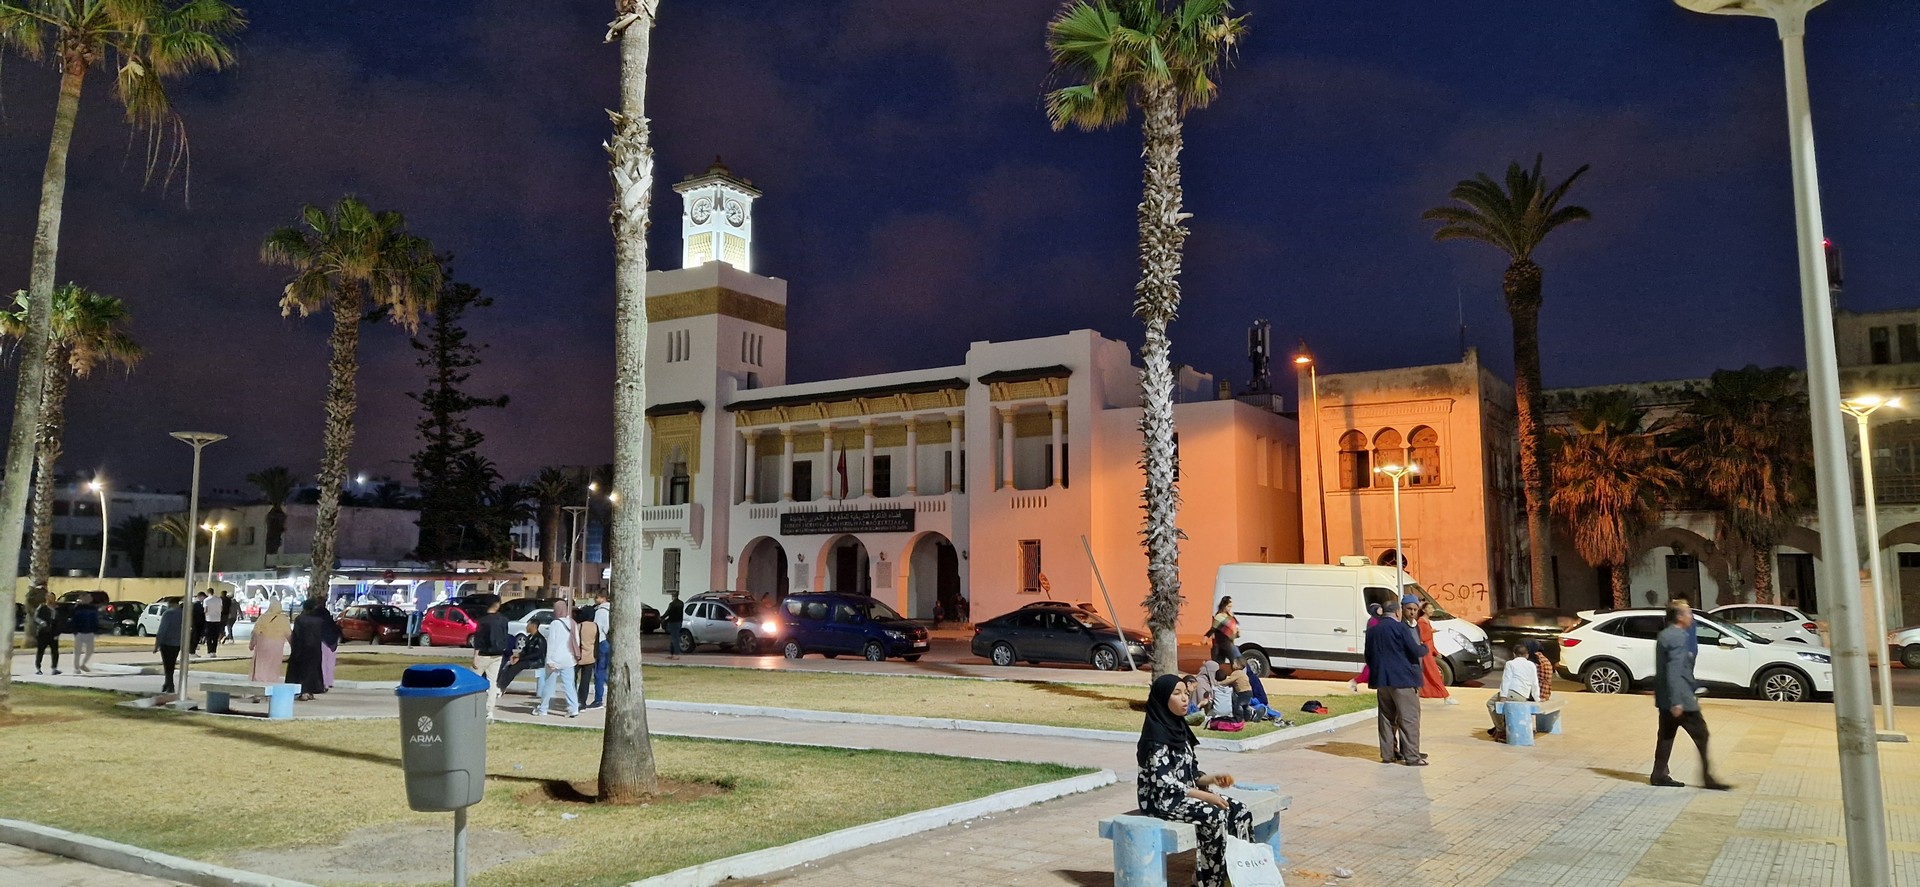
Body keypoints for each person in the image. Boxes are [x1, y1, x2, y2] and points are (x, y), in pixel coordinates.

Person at [1137, 674, 1253, 887]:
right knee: (1215, 815)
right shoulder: (1155, 737)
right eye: (1177, 693)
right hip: (1161, 800)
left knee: (1240, 810)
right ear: (1162, 698)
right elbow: (1164, 782)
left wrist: (1212, 779)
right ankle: (1208, 881)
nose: (1185, 698)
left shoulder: (1180, 728)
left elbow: (1191, 772)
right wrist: (1206, 797)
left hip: (1185, 795)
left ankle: (1239, 874)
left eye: (1186, 693)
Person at [1652, 604, 1730, 790]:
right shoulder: (1678, 636)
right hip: (1680, 699)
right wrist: (1677, 701)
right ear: (1680, 617)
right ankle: (1707, 778)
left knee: (1666, 736)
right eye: (1689, 613)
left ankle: (1659, 774)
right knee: (1702, 735)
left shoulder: (1665, 634)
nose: (1692, 617)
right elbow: (1674, 670)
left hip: (1666, 698)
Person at [1364, 593, 1429, 765]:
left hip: (1382, 681)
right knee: (1409, 718)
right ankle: (1412, 756)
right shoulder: (1400, 628)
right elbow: (1415, 650)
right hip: (1403, 680)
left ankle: (1388, 754)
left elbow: (1368, 656)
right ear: (1398, 612)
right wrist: (1424, 648)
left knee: (1386, 718)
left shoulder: (1372, 630)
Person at [535, 600, 582, 717]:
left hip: (555, 659)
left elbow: (551, 643)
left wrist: (549, 660)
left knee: (548, 685)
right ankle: (574, 708)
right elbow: (577, 641)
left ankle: (543, 709)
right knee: (569, 685)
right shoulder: (573, 623)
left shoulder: (555, 624)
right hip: (569, 659)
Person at [1486, 643, 1540, 742]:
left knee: (1491, 703)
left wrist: (1503, 696)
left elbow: (1506, 681)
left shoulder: (1510, 664)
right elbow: (1535, 683)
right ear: (1527, 655)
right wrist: (1537, 698)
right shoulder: (1531, 665)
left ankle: (1501, 730)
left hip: (1512, 693)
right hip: (1523, 695)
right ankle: (1502, 726)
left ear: (1514, 654)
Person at [286, 600, 333, 700]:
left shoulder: (300, 619)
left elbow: (296, 635)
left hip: (301, 648)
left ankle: (303, 692)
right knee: (312, 671)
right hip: (315, 649)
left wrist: (294, 648)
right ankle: (310, 691)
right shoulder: (319, 621)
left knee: (301, 671)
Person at [1415, 602, 1456, 704]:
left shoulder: (1426, 621)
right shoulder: (1421, 622)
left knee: (1428, 674)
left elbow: (1429, 641)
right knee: (1434, 674)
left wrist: (1435, 651)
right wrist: (1431, 631)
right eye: (1429, 608)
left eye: (1432, 608)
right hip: (1425, 652)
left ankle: (1424, 693)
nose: (1432, 610)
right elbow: (1422, 638)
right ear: (1424, 610)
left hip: (1428, 651)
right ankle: (1446, 696)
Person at [249, 601, 292, 683]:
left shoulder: (263, 617)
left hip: (263, 644)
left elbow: (255, 632)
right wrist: (293, 646)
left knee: (261, 664)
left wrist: (252, 644)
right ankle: (271, 681)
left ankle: (260, 682)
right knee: (273, 665)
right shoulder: (284, 619)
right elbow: (289, 634)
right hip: (277, 645)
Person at [1349, 602, 1387, 693]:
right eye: (1379, 609)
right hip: (1375, 649)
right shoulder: (1374, 621)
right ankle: (1355, 681)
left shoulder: (1379, 620)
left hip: (1379, 648)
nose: (1381, 610)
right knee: (1370, 669)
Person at [574, 605, 600, 708]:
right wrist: (596, 655)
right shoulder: (595, 626)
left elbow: (575, 642)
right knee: (585, 681)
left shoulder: (579, 626)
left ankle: (574, 699)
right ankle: (583, 702)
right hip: (591, 657)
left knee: (573, 678)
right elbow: (596, 642)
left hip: (578, 657)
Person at [155, 599, 183, 694]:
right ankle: (167, 684)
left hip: (167, 643)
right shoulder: (183, 614)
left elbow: (162, 630)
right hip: (177, 643)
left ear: (171, 604)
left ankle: (169, 685)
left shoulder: (168, 614)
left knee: (167, 665)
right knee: (172, 664)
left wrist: (157, 644)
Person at [589, 592, 611, 709]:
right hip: (608, 643)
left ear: (603, 598)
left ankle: (598, 699)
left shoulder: (600, 611)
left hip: (601, 642)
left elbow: (597, 628)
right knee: (605, 670)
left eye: (597, 597)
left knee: (599, 672)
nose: (595, 599)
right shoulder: (611, 610)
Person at [69, 597, 100, 674]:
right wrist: (75, 631)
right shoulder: (77, 608)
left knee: (90, 651)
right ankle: (76, 668)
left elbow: (95, 619)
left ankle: (83, 664)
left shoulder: (92, 608)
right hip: (79, 632)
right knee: (77, 652)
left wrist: (95, 629)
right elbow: (73, 619)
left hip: (90, 632)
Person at [32, 597, 61, 675]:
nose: (51, 600)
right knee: (41, 651)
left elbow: (59, 622)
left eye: (52, 599)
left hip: (53, 634)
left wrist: (57, 633)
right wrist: (41, 622)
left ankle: (54, 668)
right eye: (49, 599)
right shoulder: (42, 608)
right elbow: (35, 618)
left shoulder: (56, 609)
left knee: (55, 651)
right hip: (43, 633)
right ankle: (38, 668)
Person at [1207, 597, 1240, 664]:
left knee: (1234, 661)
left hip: (1229, 642)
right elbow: (1213, 628)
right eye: (1228, 606)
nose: (1230, 608)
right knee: (1236, 661)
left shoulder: (1230, 615)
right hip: (1222, 643)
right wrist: (1206, 637)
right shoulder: (1219, 616)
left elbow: (1236, 625)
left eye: (1231, 606)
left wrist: (1232, 617)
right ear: (1224, 606)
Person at [201, 589, 225, 656]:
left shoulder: (206, 600)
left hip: (209, 619)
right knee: (215, 636)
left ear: (208, 592)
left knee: (209, 636)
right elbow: (221, 609)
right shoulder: (219, 599)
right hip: (217, 619)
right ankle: (214, 651)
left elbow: (205, 610)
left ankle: (209, 651)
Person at [662, 589, 684, 660]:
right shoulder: (681, 603)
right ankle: (672, 653)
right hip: (679, 622)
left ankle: (676, 654)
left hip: (672, 622)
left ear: (673, 596)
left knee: (674, 638)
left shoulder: (672, 604)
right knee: (674, 637)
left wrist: (662, 617)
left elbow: (668, 612)